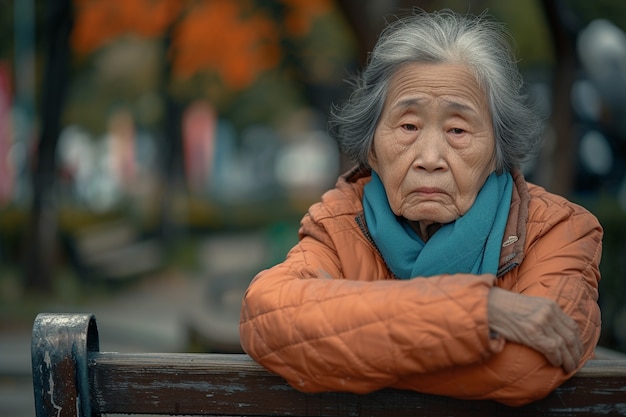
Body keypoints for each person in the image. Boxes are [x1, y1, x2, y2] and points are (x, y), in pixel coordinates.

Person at [239, 9, 602, 406]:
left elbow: (527, 366)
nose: (430, 157)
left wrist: (342, 350)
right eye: (409, 127)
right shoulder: (340, 224)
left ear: (499, 152)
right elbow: (269, 316)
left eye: (458, 130)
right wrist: (480, 311)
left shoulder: (559, 231)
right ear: (372, 150)